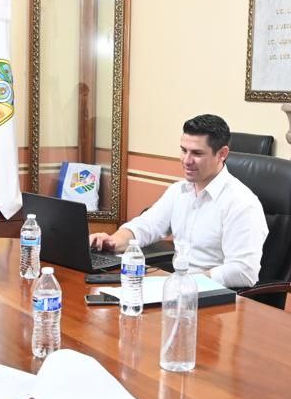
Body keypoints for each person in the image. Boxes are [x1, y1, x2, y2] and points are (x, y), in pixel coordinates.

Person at [89, 114, 268, 288]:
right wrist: (112, 241)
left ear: (222, 154)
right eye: (184, 150)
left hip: (217, 298)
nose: (186, 160)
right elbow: (147, 225)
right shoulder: (180, 191)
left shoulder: (241, 203)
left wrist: (187, 283)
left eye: (197, 153)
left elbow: (244, 271)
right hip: (177, 291)